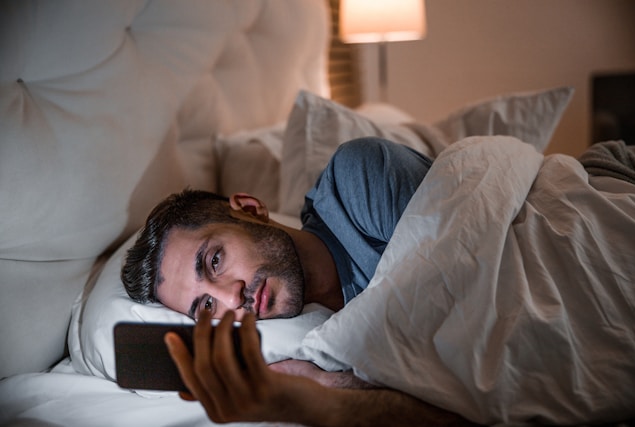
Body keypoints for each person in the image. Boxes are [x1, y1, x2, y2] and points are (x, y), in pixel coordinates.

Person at [122, 137, 478, 426]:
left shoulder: (357, 182)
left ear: (248, 208)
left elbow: (488, 336)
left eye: (215, 261)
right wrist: (324, 387)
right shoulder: (312, 349)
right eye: (206, 306)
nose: (232, 299)